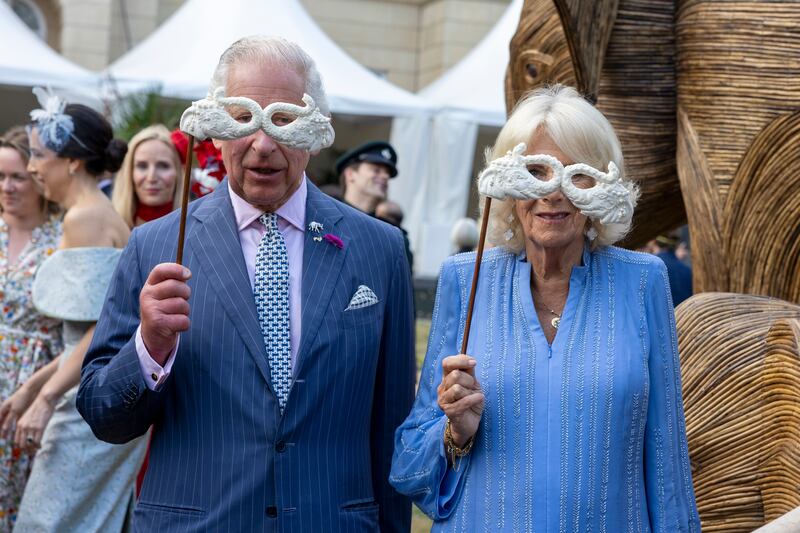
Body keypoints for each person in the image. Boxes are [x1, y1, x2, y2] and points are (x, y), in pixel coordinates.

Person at [77, 36, 415, 532]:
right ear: (215, 131)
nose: (262, 143)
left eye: (282, 120)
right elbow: (104, 415)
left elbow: (392, 425)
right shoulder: (156, 246)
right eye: (243, 120)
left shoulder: (379, 250)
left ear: (314, 133)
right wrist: (148, 347)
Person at [390, 85, 700, 531]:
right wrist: (454, 432)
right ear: (508, 186)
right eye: (535, 172)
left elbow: (667, 457)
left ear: (600, 189)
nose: (552, 193)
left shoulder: (643, 281)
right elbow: (410, 466)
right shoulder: (465, 280)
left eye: (576, 174)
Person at [6, 89, 148, 532]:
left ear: (71, 161)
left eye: (38, 155)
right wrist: (30, 388)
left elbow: (102, 334)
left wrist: (42, 397)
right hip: (81, 382)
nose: (31, 168)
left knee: (46, 523)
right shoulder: (92, 212)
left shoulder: (83, 218)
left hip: (86, 395)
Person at [0, 127, 62, 532]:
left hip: (34, 379)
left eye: (17, 176)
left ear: (38, 177)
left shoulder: (62, 238)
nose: (7, 187)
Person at [112, 124, 183, 228]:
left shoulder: (197, 230)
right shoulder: (109, 227)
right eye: (142, 166)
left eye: (163, 166)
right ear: (129, 172)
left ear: (178, 173)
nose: (151, 178)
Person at [336, 140, 397, 216]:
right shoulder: (323, 213)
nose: (386, 177)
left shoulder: (387, 227)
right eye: (376, 170)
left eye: (388, 173)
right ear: (350, 174)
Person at [651, 233, 693, 306]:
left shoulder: (649, 269)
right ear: (675, 246)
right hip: (685, 314)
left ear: (655, 244)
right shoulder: (687, 270)